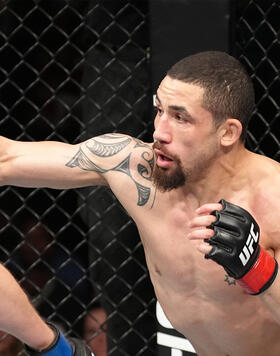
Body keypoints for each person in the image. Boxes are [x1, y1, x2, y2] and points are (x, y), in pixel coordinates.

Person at [0, 50, 280, 356]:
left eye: (180, 117)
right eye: (159, 110)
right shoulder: (133, 168)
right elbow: (8, 158)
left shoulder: (271, 198)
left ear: (228, 132)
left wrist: (257, 267)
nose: (159, 131)